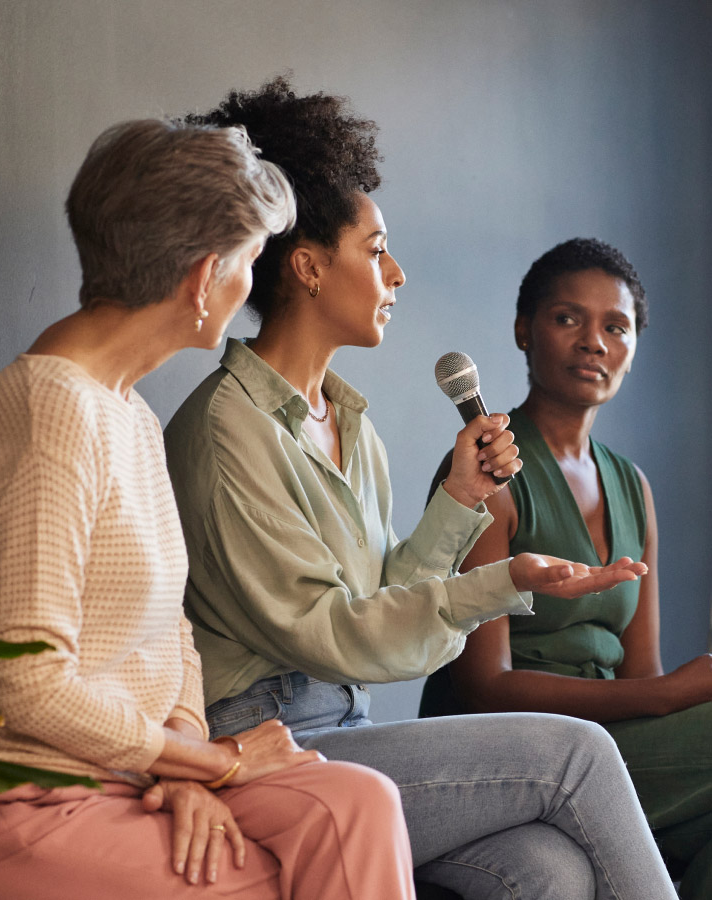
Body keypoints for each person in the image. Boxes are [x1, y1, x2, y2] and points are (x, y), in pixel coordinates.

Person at [164, 77, 678, 900]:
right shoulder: (228, 430)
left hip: (348, 726)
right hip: (262, 742)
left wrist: (461, 501)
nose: (396, 273)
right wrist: (500, 582)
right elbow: (334, 636)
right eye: (375, 251)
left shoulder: (348, 421)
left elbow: (381, 600)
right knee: (578, 756)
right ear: (306, 267)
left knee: (548, 870)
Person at [0, 117, 418, 900]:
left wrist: (187, 768)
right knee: (285, 864)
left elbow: (171, 647)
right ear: (201, 279)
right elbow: (29, 685)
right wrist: (214, 762)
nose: (250, 286)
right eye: (249, 262)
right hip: (15, 800)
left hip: (121, 777)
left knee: (360, 802)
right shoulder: (49, 414)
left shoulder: (129, 414)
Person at [420, 237, 712, 899]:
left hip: (615, 749)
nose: (594, 342)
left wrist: (662, 695)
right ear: (524, 330)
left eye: (617, 326)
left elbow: (639, 671)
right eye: (568, 318)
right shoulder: (487, 472)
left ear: (634, 348)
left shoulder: (632, 486)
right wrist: (670, 697)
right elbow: (482, 688)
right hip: (515, 754)